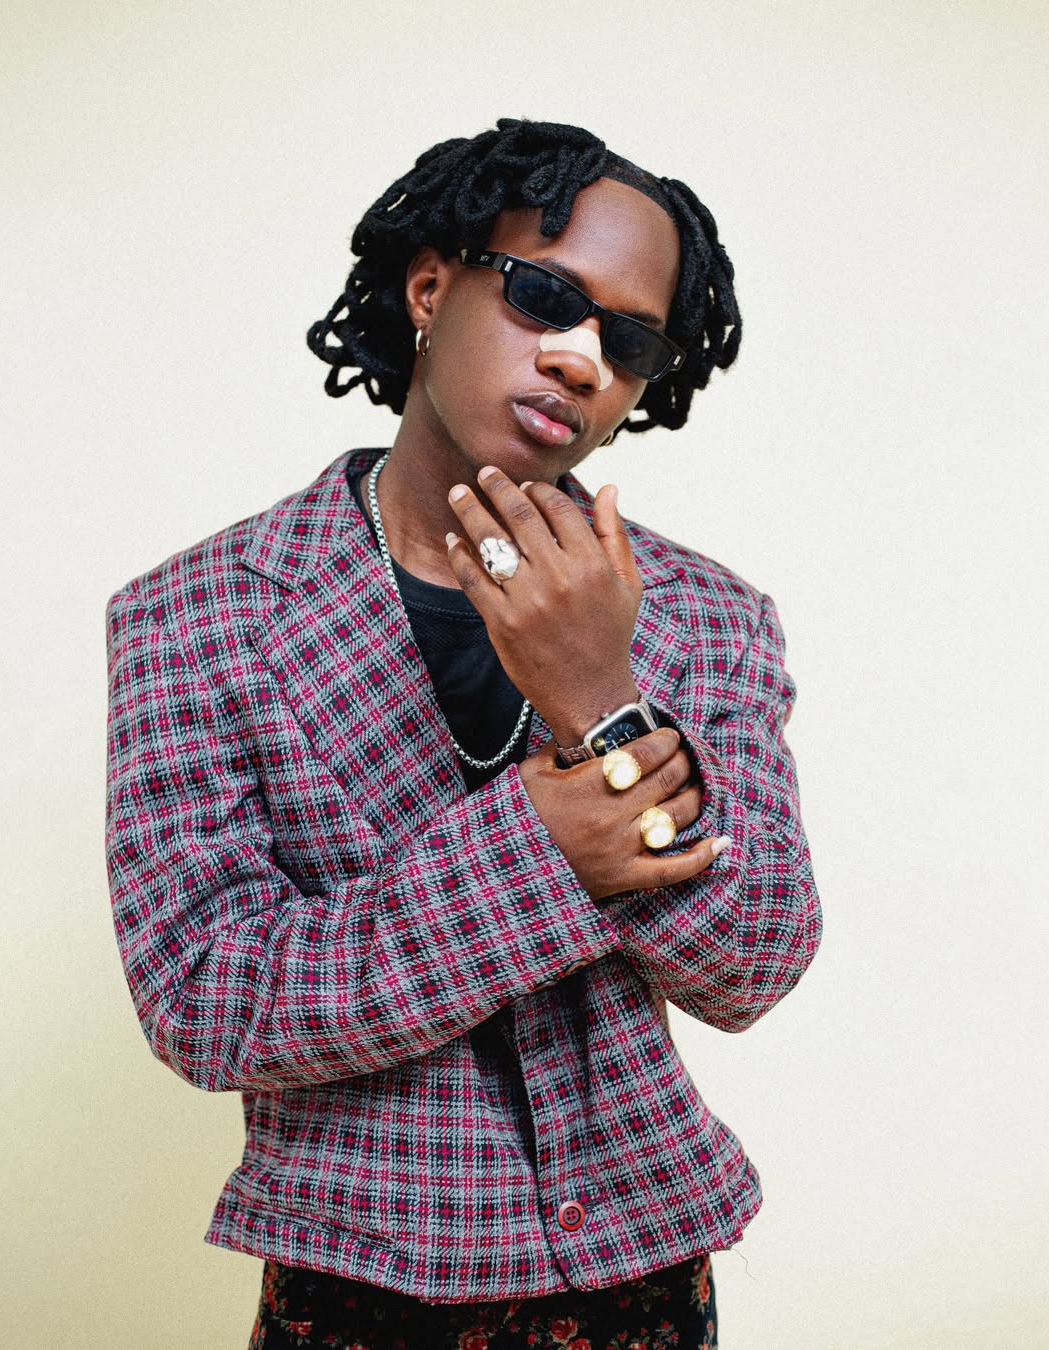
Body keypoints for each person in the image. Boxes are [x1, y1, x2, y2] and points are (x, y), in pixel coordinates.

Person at [105, 117, 821, 1350]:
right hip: (358, 1283)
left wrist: (599, 701)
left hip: (643, 1281)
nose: (582, 359)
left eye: (630, 341)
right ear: (431, 289)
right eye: (546, 296)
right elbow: (205, 1001)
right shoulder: (197, 613)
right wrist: (541, 849)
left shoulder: (706, 616)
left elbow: (756, 960)